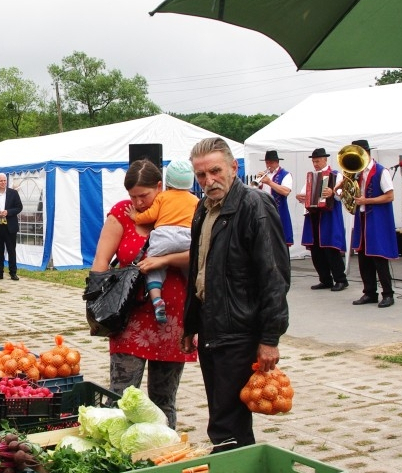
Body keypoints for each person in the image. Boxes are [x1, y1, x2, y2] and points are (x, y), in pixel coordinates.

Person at [182, 137, 290, 452]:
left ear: (234, 167)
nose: (208, 181)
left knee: (228, 419)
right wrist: (191, 323)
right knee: (221, 409)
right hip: (211, 323)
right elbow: (198, 269)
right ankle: (237, 471)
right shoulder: (203, 207)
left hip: (240, 328)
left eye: (215, 171)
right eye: (201, 175)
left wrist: (270, 338)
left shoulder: (254, 205)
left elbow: (274, 276)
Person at [90, 159, 197, 430]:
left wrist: (163, 260)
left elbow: (200, 257)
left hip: (172, 320)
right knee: (122, 396)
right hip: (128, 319)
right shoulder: (121, 214)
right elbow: (101, 262)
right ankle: (118, 453)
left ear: (160, 187)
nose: (137, 203)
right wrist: (97, 306)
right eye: (132, 196)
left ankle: (162, 452)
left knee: (164, 400)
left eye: (144, 195)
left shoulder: (183, 210)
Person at [125, 159, 199, 323]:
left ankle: (157, 298)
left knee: (153, 266)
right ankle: (195, 294)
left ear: (163, 184)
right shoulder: (195, 200)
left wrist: (136, 217)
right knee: (193, 268)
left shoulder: (163, 197)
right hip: (186, 236)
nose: (138, 202)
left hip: (164, 236)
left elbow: (150, 216)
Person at [346, 139, 399, 308]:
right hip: (362, 219)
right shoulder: (357, 172)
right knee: (363, 257)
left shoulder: (381, 171)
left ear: (366, 153)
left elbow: (390, 196)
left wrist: (366, 200)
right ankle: (369, 292)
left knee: (378, 257)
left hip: (376, 219)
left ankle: (388, 294)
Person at [295, 148, 349, 292]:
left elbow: (340, 196)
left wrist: (333, 192)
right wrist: (300, 197)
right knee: (316, 249)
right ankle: (325, 279)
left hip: (329, 216)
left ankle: (340, 279)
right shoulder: (311, 176)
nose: (315, 164)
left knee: (331, 248)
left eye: (317, 161)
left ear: (325, 160)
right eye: (313, 161)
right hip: (314, 215)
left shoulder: (336, 175)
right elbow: (305, 194)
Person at [0, 172, 22, 280]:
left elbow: (19, 207)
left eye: (5, 180)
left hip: (10, 226)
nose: (3, 182)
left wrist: (8, 212)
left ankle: (13, 272)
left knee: (11, 250)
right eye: (1, 181)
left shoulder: (13, 193)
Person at [254, 149, 294, 246]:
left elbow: (285, 191)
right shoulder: (264, 175)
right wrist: (257, 184)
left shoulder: (285, 174)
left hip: (279, 212)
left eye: (271, 162)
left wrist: (269, 182)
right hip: (264, 212)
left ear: (277, 162)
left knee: (281, 243)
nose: (268, 165)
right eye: (266, 162)